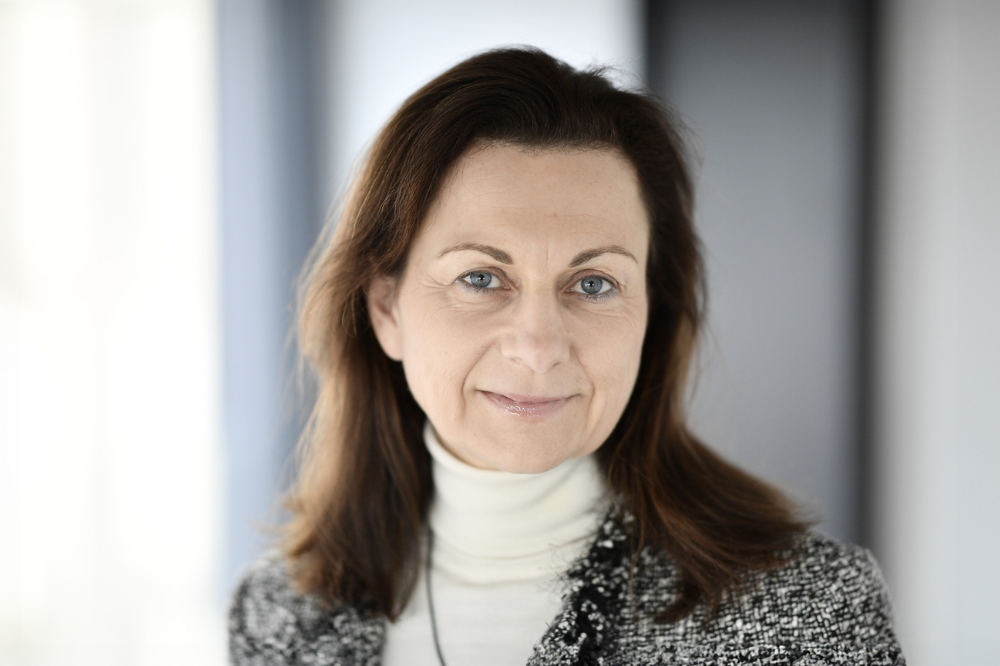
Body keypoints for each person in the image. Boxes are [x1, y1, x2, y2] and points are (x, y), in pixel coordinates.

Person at [228, 47, 904, 666]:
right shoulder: (279, 614)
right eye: (480, 278)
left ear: (652, 314)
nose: (538, 348)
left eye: (594, 284)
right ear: (387, 310)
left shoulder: (809, 609)